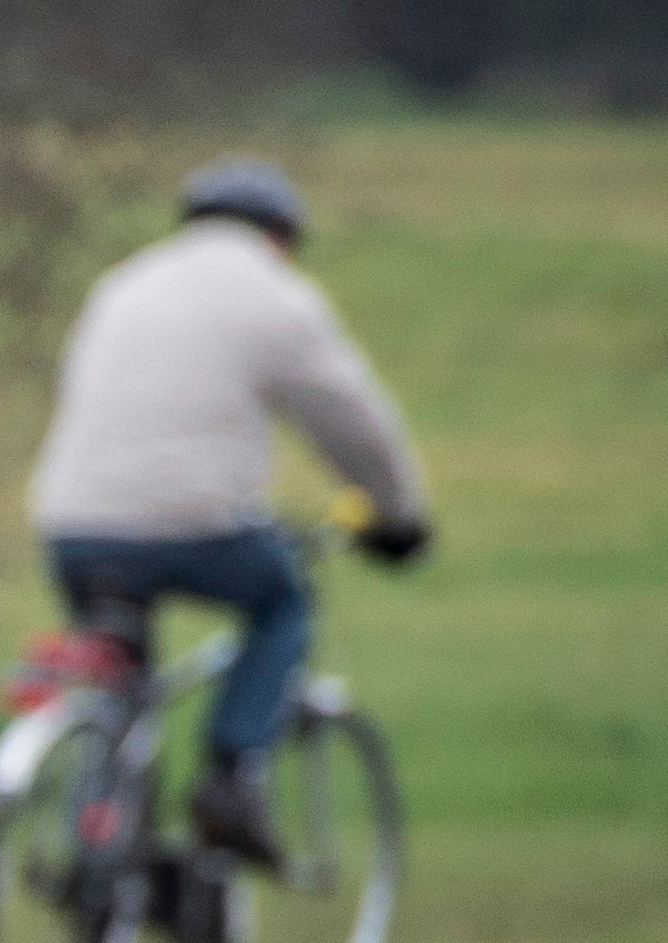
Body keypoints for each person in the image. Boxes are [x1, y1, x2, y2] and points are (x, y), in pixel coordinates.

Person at [25, 156, 432, 868]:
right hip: (196, 525)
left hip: (74, 525)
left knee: (120, 684)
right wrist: (399, 515)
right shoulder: (276, 297)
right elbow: (352, 423)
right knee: (283, 603)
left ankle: (100, 863)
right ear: (281, 234)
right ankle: (234, 777)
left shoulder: (123, 285)